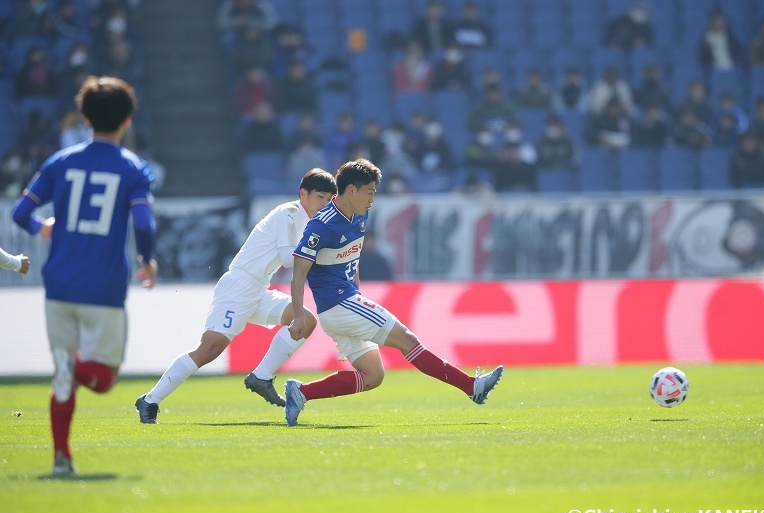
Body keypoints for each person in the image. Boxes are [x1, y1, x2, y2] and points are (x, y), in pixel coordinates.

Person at [282, 159, 503, 426]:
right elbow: (298, 273)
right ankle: (471, 386)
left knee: (373, 375)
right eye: (370, 192)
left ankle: (301, 393)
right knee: (407, 340)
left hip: (347, 301)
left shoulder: (359, 214)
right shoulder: (322, 224)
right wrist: (298, 316)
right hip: (338, 304)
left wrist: (358, 292)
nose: (373, 199)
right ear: (351, 190)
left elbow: (352, 258)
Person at [11, 76, 158, 476]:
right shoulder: (132, 168)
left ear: (84, 117)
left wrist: (43, 226)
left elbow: (20, 214)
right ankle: (69, 370)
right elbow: (143, 221)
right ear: (127, 120)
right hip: (104, 285)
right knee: (105, 379)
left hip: (58, 282)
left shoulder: (61, 161)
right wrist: (148, 258)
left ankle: (62, 457)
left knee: (64, 377)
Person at [135, 169, 338, 424]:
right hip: (238, 287)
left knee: (306, 321)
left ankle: (261, 376)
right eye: (320, 197)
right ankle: (150, 400)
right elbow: (289, 260)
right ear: (303, 194)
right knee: (209, 349)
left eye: (329, 199)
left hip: (258, 290)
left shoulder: (307, 221)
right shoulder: (289, 214)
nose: (324, 204)